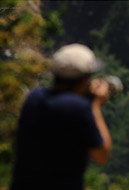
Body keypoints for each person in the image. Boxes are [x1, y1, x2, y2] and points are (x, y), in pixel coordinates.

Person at [9, 44, 112, 190]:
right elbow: (102, 155)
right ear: (84, 79)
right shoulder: (78, 108)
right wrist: (95, 105)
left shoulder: (34, 99)